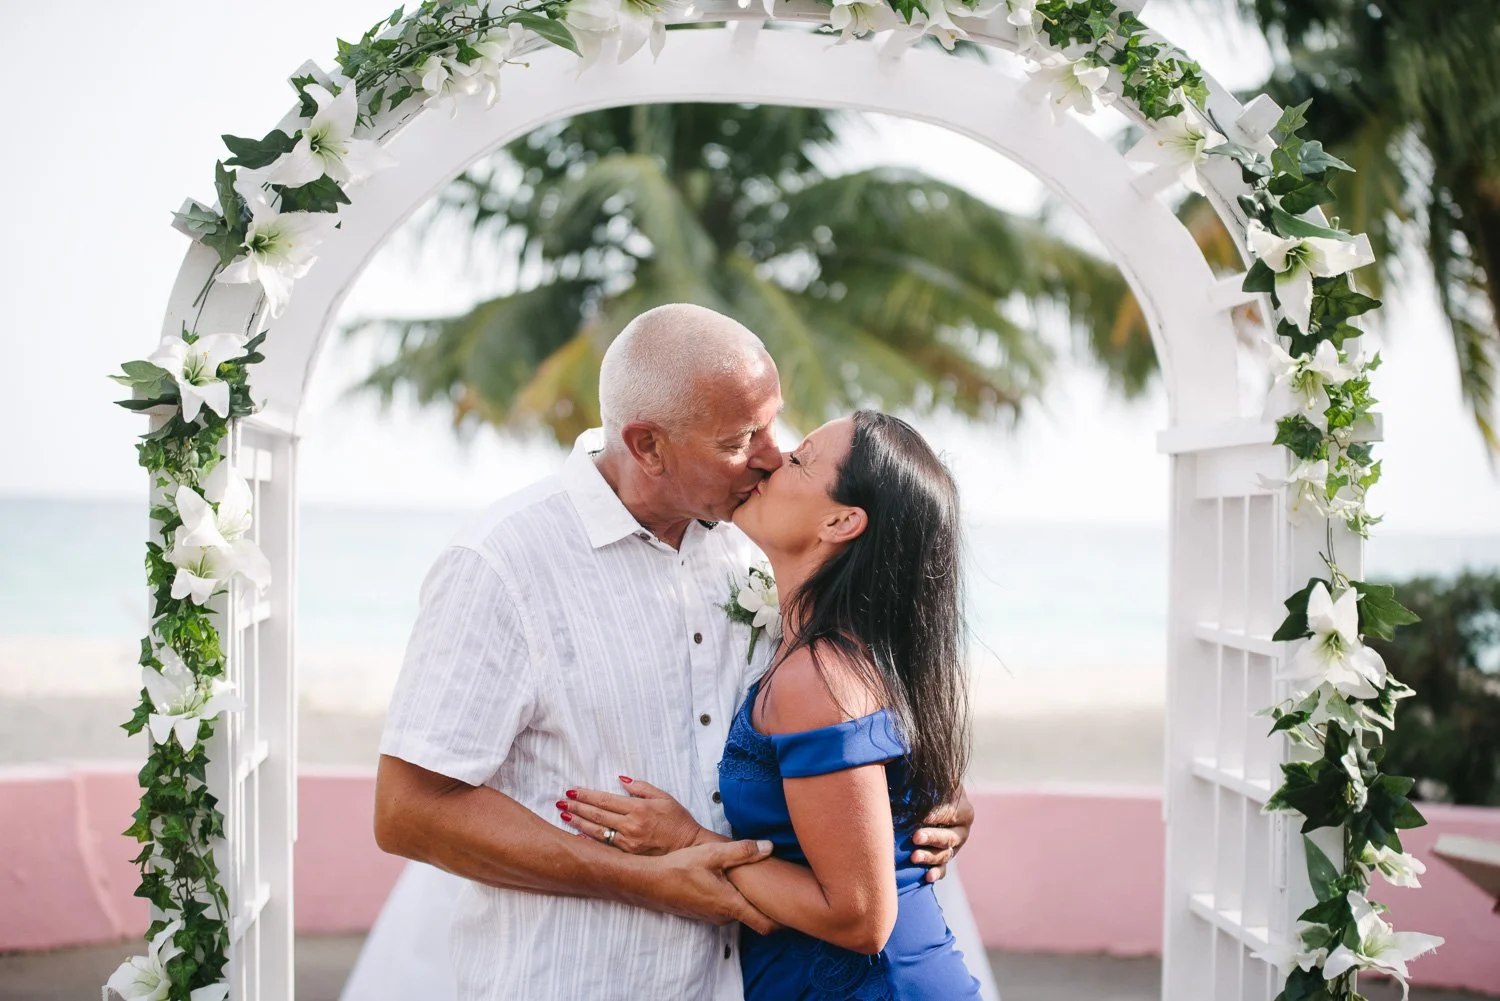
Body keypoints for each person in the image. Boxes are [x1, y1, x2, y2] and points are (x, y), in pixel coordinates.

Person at [367, 304, 975, 1001]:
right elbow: (409, 810)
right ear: (648, 446)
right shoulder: (503, 563)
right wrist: (641, 878)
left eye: (774, 423)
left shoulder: (762, 539)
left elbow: (861, 695)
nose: (771, 455)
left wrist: (925, 798)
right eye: (740, 438)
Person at [557, 411, 981, 999]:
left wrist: (687, 841)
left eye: (800, 459)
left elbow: (860, 918)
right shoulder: (857, 649)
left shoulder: (819, 676)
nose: (775, 459)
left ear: (841, 521)